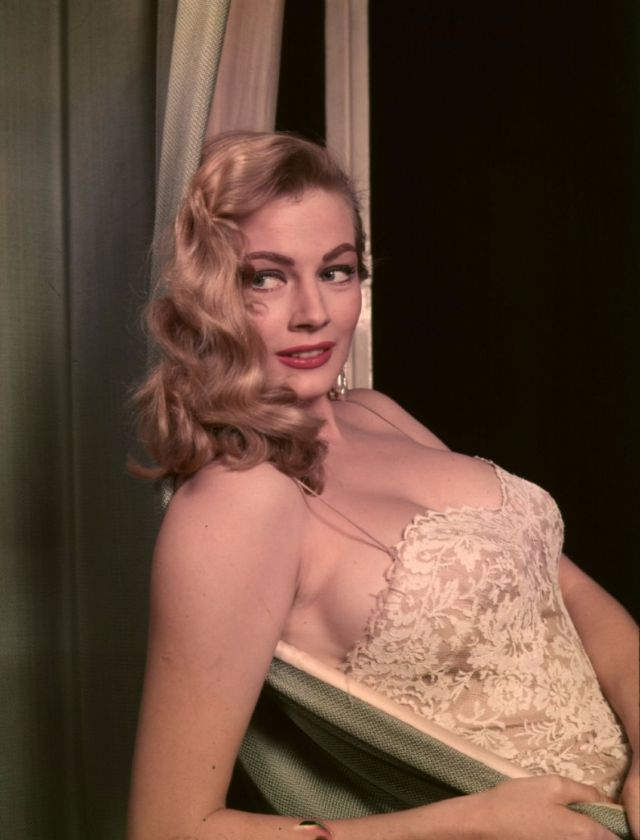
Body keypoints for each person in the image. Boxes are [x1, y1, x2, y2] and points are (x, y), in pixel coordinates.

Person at [127, 131, 638, 840]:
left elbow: (567, 590)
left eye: (336, 271)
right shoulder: (236, 504)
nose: (313, 311)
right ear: (208, 295)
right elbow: (170, 827)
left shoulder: (375, 411)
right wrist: (477, 821)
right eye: (264, 278)